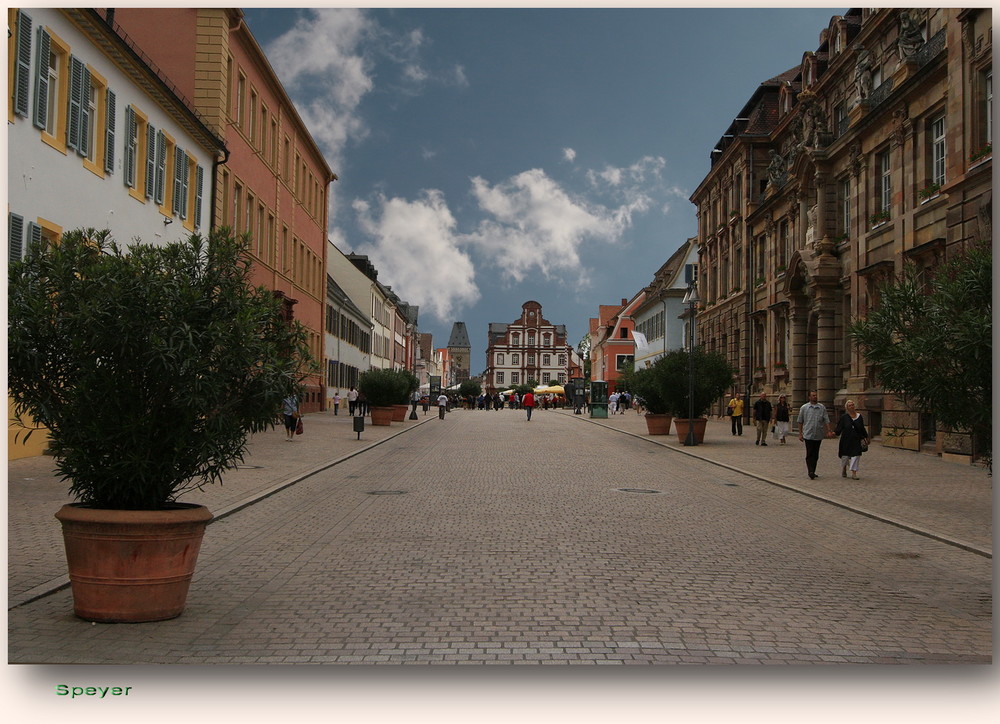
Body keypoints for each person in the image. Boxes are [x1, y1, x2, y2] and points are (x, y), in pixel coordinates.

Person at [797, 390, 834, 479]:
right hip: (808, 434)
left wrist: (829, 430)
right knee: (809, 453)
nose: (815, 397)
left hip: (818, 434)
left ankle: (813, 469)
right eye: (813, 395)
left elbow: (826, 420)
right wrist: (800, 433)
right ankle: (810, 471)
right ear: (809, 397)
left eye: (816, 395)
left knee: (816, 454)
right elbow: (800, 421)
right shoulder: (804, 408)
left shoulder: (822, 407)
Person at [835, 400, 870, 480]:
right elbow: (839, 428)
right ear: (847, 408)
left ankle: (854, 472)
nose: (852, 407)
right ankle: (844, 468)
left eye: (852, 405)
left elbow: (862, 428)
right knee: (845, 456)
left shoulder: (859, 416)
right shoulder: (844, 417)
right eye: (850, 405)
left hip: (857, 439)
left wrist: (866, 437)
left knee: (856, 455)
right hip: (846, 439)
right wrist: (834, 433)